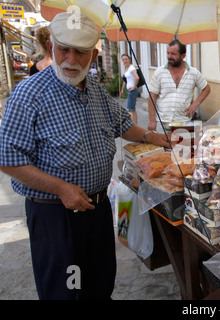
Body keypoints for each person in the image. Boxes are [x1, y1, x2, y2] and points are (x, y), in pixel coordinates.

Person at [0, 12, 171, 300]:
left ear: (92, 55)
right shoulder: (29, 93)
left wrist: (157, 138)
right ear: (51, 47)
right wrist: (61, 188)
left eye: (80, 52)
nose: (70, 59)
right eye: (63, 49)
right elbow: (7, 157)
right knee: (66, 291)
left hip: (97, 209)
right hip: (56, 215)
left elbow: (124, 124)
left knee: (99, 284)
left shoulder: (94, 89)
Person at [148, 39, 211, 133]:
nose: (169, 56)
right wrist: (152, 120)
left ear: (183, 56)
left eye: (173, 54)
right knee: (161, 147)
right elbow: (152, 96)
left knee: (182, 147)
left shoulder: (193, 73)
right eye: (168, 53)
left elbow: (207, 88)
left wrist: (195, 104)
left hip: (183, 123)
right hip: (162, 122)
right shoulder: (159, 72)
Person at [120, 54, 139, 124]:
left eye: (126, 59)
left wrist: (134, 86)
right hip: (129, 89)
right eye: (123, 59)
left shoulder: (131, 68)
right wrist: (122, 89)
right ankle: (136, 125)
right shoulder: (126, 68)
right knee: (133, 110)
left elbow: (137, 77)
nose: (124, 61)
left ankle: (132, 126)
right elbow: (125, 80)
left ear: (129, 60)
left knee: (129, 110)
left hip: (132, 90)